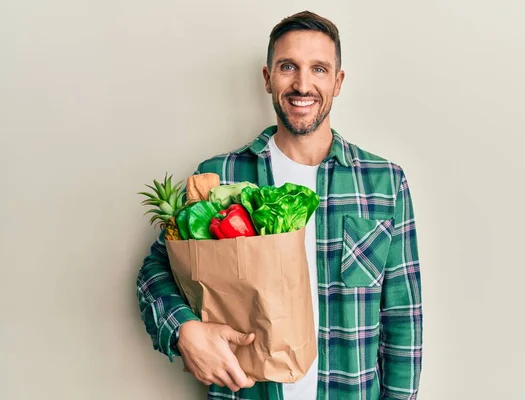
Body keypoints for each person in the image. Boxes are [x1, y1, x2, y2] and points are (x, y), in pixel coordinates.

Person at [136, 10, 422, 400]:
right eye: (288, 67)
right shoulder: (219, 178)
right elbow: (156, 269)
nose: (303, 84)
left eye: (319, 69)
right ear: (268, 78)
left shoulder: (384, 183)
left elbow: (402, 318)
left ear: (337, 82)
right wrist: (184, 329)